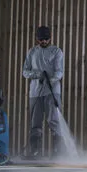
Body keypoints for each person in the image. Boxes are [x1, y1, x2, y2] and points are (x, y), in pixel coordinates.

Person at [22, 25, 64, 158]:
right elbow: (25, 71)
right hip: (35, 92)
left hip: (52, 91)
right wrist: (37, 75)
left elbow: (59, 71)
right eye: (41, 39)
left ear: (50, 38)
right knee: (35, 122)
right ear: (37, 39)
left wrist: (51, 79)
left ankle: (58, 152)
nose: (44, 41)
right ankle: (34, 151)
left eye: (46, 39)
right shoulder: (32, 52)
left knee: (54, 120)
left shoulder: (56, 51)